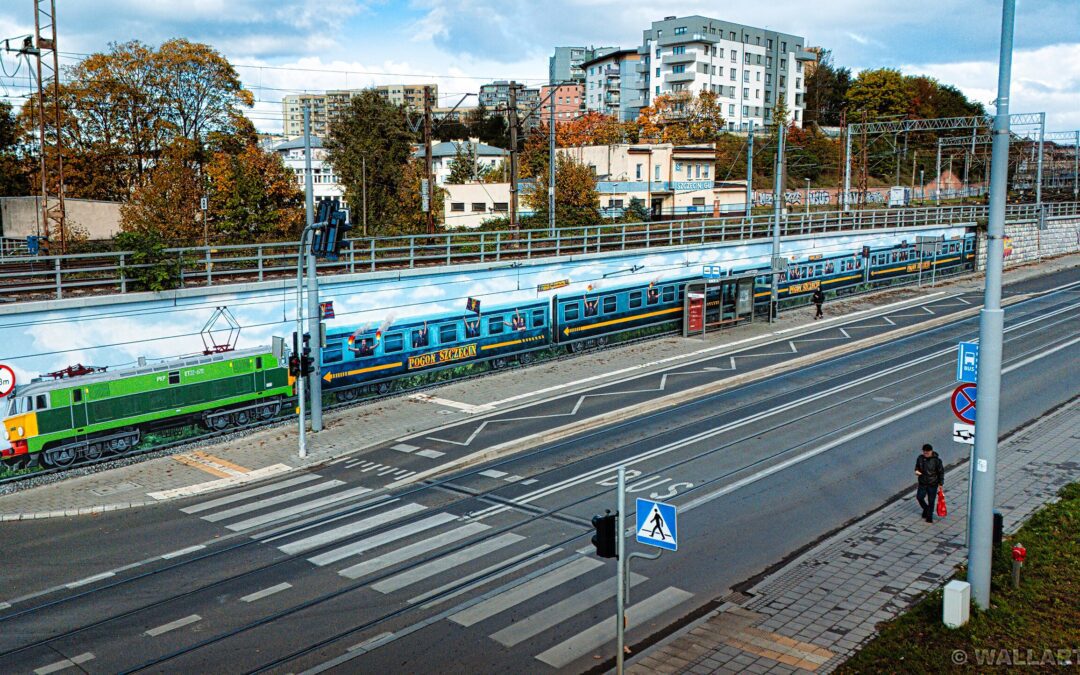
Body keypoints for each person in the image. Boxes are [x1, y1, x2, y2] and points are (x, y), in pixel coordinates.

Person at [915, 443, 944, 523]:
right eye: (924, 452)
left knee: (931, 501)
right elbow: (917, 467)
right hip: (922, 482)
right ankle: (926, 509)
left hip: (933, 484)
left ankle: (929, 516)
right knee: (919, 497)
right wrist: (917, 472)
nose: (925, 454)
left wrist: (941, 483)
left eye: (927, 453)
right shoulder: (920, 458)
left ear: (931, 451)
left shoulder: (936, 460)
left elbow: (941, 472)